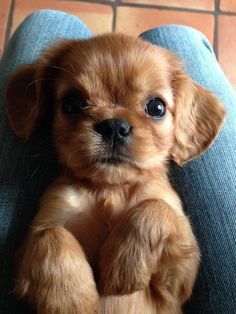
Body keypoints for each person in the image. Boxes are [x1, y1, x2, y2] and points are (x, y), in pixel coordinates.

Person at [0, 10, 235, 314]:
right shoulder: (64, 195)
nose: (115, 128)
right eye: (74, 105)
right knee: (47, 243)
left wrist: (154, 224)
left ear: (183, 121)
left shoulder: (161, 203)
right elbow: (27, 273)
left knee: (42, 20)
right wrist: (48, 253)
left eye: (155, 107)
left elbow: (178, 287)